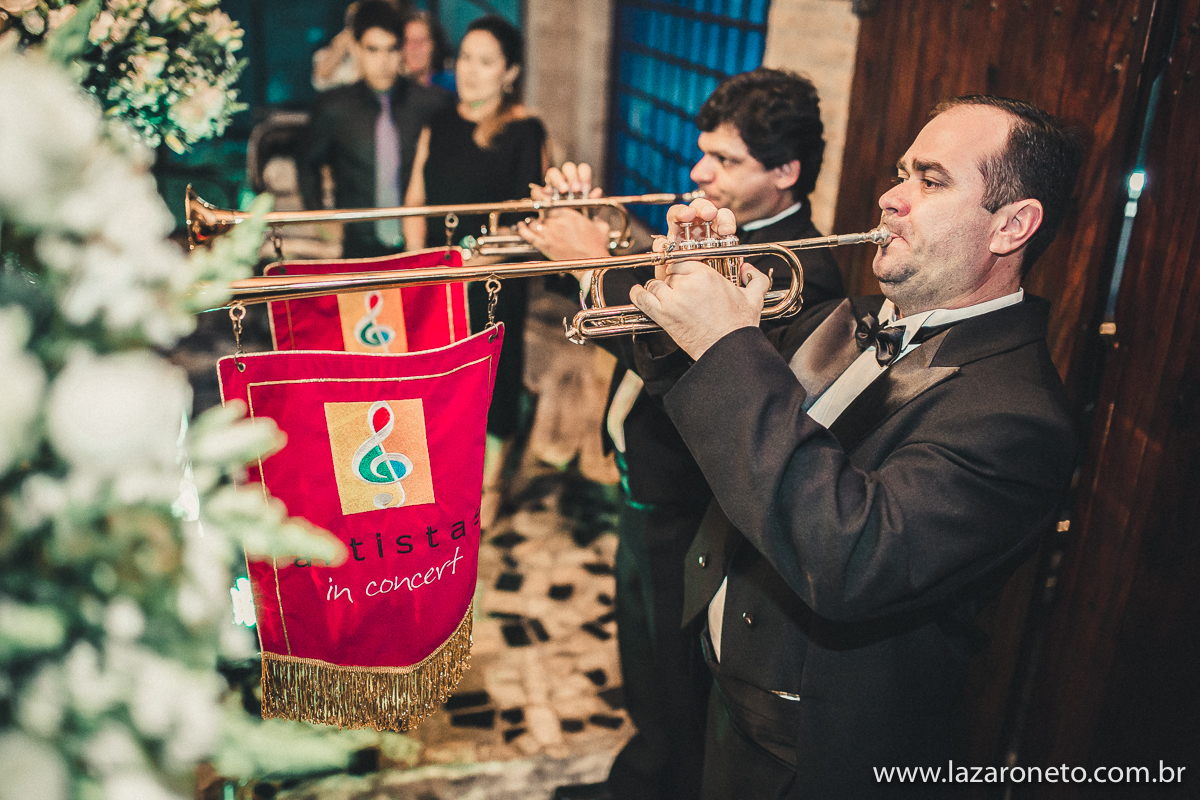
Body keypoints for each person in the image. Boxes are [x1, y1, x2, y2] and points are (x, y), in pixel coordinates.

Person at [623, 96, 1083, 798]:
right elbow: (723, 414)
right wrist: (689, 304)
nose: (892, 196)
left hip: (812, 756)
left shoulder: (1020, 417)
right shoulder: (856, 317)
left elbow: (851, 555)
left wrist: (726, 344)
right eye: (902, 172)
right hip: (721, 687)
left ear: (1011, 226)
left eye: (931, 180)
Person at [523, 70, 845, 800]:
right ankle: (642, 775)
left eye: (725, 159)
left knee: (677, 677)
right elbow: (644, 302)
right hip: (646, 483)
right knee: (642, 658)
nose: (699, 171)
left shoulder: (800, 268)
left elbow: (674, 354)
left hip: (695, 507)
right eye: (704, 152)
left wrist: (591, 259)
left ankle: (661, 784)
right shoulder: (717, 229)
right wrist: (594, 231)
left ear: (785, 173)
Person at [404, 14, 547, 494]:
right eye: (466, 57)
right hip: (434, 279)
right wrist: (417, 265)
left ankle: (489, 486)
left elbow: (525, 222)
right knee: (436, 379)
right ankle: (446, 475)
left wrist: (465, 267)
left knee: (492, 380)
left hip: (491, 283)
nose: (469, 69)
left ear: (510, 72)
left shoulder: (524, 131)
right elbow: (415, 200)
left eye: (486, 61)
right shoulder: (439, 123)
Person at [298, 0, 449, 258]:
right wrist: (321, 219)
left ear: (401, 49)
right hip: (357, 245)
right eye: (373, 49)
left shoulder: (432, 103)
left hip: (423, 243)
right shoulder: (333, 107)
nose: (383, 61)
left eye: (391, 49)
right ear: (357, 50)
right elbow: (306, 163)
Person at [403, 10, 455, 94]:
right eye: (408, 40)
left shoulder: (451, 86)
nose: (414, 47)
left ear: (435, 45)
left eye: (421, 40)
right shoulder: (398, 88)